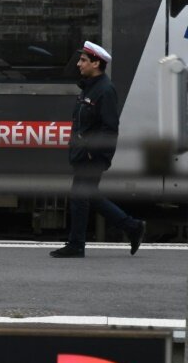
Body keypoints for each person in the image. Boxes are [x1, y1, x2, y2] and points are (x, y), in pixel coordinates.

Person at [50, 41, 146, 258]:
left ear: (96, 64)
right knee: (89, 196)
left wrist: (94, 152)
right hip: (83, 153)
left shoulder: (105, 90)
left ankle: (76, 245)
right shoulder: (89, 87)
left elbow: (110, 127)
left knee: (79, 196)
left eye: (84, 60)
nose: (79, 64)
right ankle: (132, 227)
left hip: (92, 155)